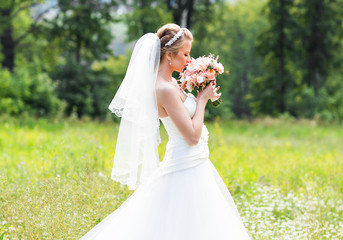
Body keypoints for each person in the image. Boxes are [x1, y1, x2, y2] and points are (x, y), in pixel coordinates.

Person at [79, 23, 251, 240]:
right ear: (169, 55)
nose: (190, 59)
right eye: (185, 54)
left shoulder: (171, 82)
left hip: (194, 161)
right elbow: (192, 136)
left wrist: (199, 90)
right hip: (184, 163)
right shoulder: (164, 88)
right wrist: (202, 100)